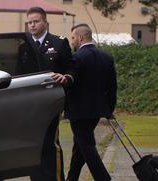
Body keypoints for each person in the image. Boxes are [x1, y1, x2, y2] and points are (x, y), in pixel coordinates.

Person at [24, 6, 77, 181]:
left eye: (36, 21)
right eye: (30, 22)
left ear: (45, 22)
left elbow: (72, 68)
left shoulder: (59, 43)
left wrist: (66, 77)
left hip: (51, 101)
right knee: (32, 144)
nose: (32, 25)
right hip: (28, 103)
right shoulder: (23, 45)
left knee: (49, 142)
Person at [64, 23, 117, 181]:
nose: (71, 41)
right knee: (79, 146)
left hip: (78, 112)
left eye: (73, 38)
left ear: (80, 37)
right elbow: (112, 86)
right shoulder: (106, 57)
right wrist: (109, 109)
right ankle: (71, 178)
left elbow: (71, 84)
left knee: (87, 147)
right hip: (97, 111)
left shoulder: (76, 58)